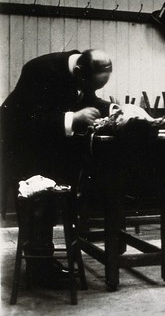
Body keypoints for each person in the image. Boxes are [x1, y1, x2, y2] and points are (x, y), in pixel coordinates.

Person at [0, 49, 114, 286]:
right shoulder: (38, 70)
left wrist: (112, 110)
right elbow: (29, 119)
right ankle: (38, 266)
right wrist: (73, 118)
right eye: (89, 85)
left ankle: (42, 260)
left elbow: (88, 98)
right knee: (39, 201)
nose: (89, 91)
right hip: (17, 144)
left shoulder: (81, 70)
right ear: (80, 72)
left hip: (42, 144)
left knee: (53, 195)